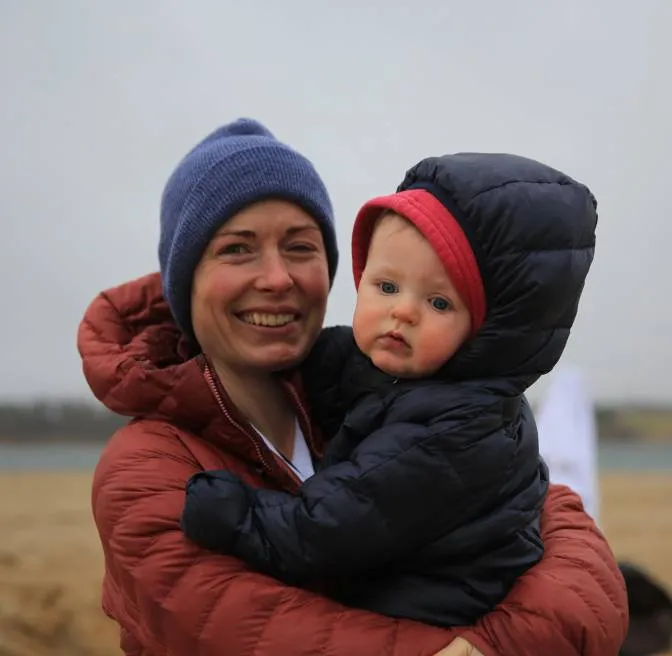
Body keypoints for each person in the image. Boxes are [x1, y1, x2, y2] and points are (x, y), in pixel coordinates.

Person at [78, 117, 628, 656]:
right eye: (237, 249)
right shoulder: (145, 470)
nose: (276, 278)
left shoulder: (370, 389)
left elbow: (583, 563)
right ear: (184, 279)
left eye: (299, 246)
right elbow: (259, 635)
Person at [182, 149, 601, 628]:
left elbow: (323, 533)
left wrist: (231, 511)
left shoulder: (453, 427)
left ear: (487, 335)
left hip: (429, 618)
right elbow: (331, 361)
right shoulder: (402, 372)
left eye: (439, 301)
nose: (402, 311)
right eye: (385, 287)